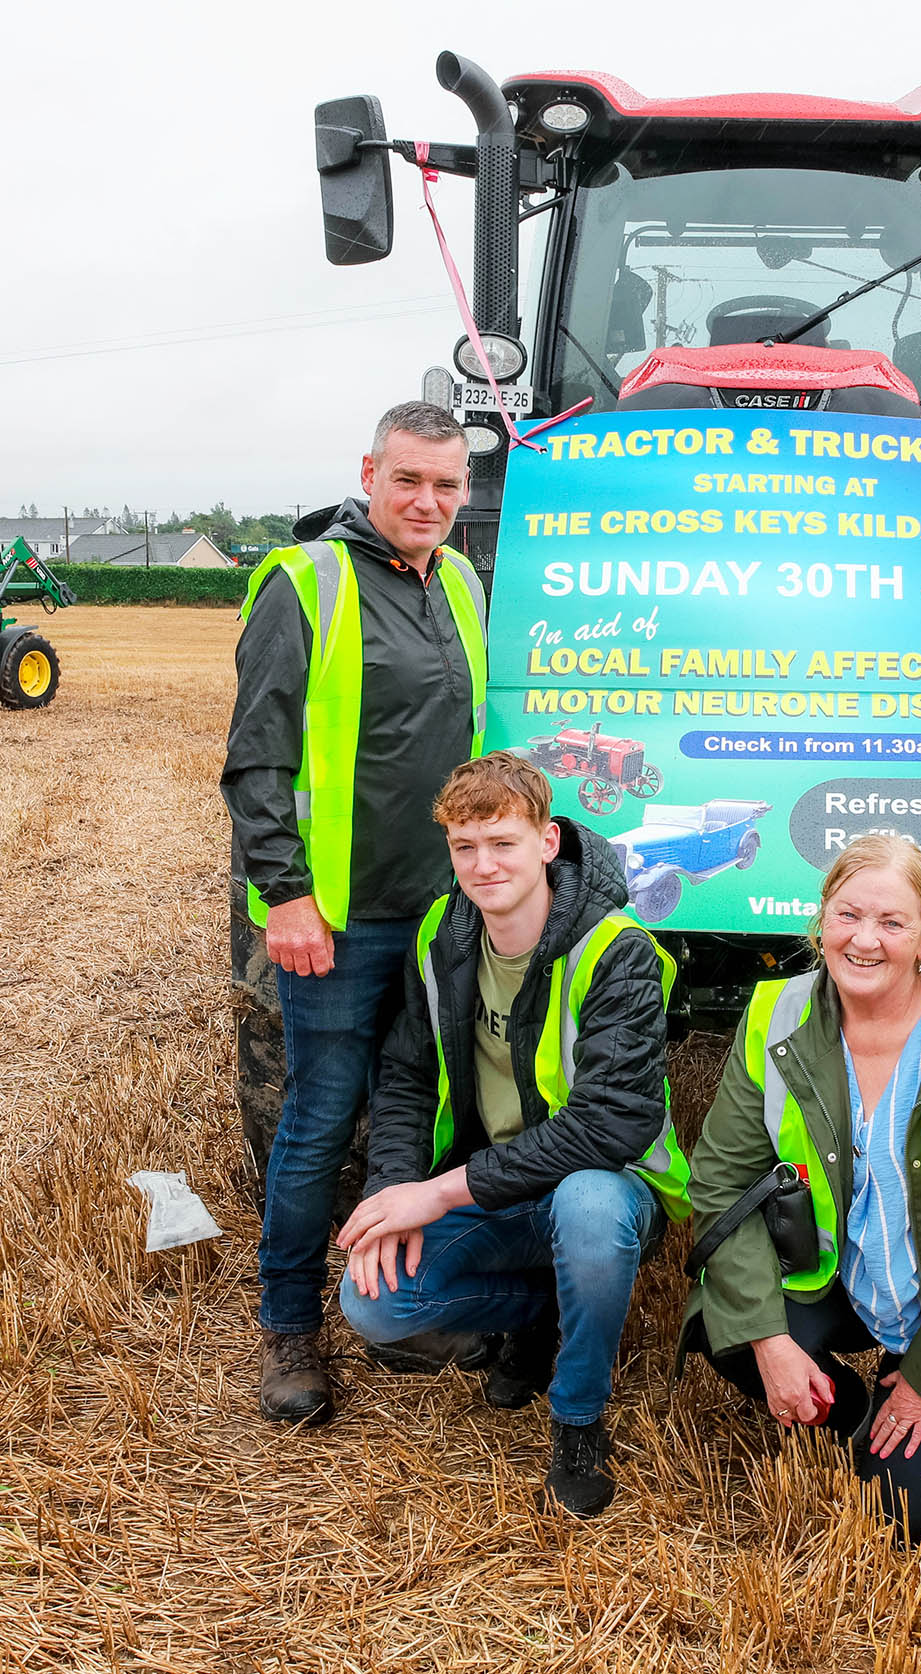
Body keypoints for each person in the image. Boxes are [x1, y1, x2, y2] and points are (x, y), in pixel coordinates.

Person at [221, 401, 489, 1425]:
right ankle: (290, 1326)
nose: (428, 502)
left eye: (447, 486)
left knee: (422, 1115)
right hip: (339, 920)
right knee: (321, 1118)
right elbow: (256, 762)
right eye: (409, 481)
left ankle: (399, 1303)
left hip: (441, 917)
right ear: (370, 473)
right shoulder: (306, 583)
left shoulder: (460, 579)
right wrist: (286, 897)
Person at [682, 834, 921, 1544]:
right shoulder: (776, 1019)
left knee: (914, 1516)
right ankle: (858, 1405)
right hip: (847, 1276)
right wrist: (768, 1338)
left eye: (891, 923)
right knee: (725, 1322)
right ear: (820, 920)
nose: (864, 941)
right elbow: (720, 1181)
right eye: (847, 916)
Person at [336, 753, 692, 1518]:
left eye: (502, 842)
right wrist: (393, 1190)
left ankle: (577, 1417)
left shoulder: (615, 947)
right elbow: (404, 1072)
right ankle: (542, 1312)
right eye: (465, 848)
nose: (482, 864)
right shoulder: (441, 932)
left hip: (606, 1186)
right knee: (374, 1304)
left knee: (590, 1211)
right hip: (494, 1182)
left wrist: (438, 1192)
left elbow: (612, 1122)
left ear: (546, 843)